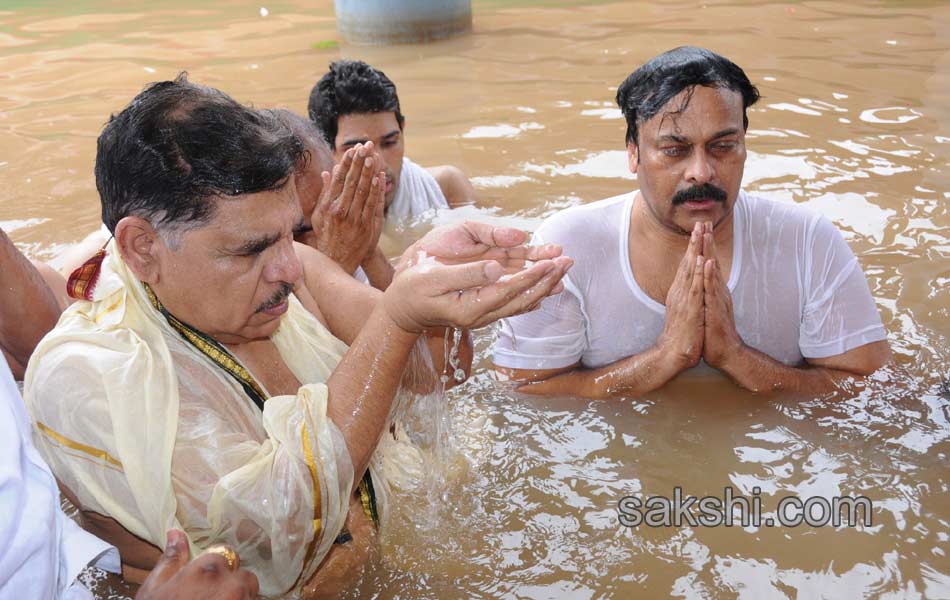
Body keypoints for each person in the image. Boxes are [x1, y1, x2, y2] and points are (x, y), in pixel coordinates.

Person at [24, 74, 571, 599]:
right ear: (143, 247)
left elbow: (438, 374)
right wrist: (399, 316)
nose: (288, 266)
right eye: (250, 249)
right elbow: (278, 524)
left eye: (292, 231)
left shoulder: (292, 272)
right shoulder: (85, 372)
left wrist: (424, 275)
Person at [493, 46, 890, 399]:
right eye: (674, 150)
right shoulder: (569, 248)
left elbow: (871, 389)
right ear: (633, 153)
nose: (701, 172)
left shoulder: (807, 241)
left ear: (745, 146)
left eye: (722, 147)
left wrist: (737, 357)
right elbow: (525, 393)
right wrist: (666, 357)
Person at [308, 59, 477, 224]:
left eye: (390, 143)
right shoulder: (307, 218)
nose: (380, 165)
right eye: (359, 151)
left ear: (402, 130)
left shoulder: (446, 190)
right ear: (324, 149)